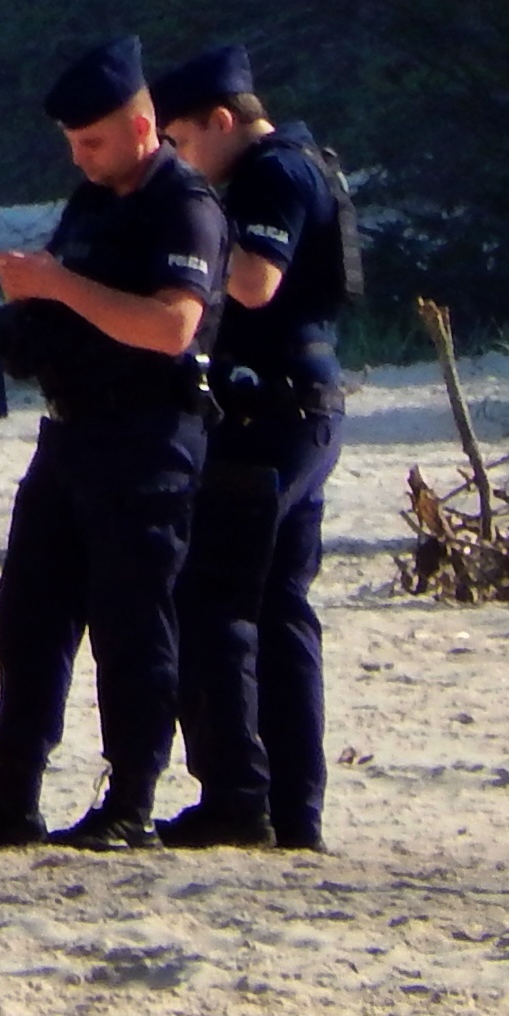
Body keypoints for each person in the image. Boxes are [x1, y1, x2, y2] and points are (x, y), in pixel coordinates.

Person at [0, 39, 227, 856]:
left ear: (140, 125)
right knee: (29, 620)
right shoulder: (91, 201)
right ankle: (12, 793)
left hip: (148, 435)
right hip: (71, 431)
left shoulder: (181, 202)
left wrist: (56, 286)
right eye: (71, 143)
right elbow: (77, 301)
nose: (80, 157)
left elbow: (172, 326)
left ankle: (130, 800)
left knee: (132, 625)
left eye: (93, 141)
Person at [149, 43, 349, 851]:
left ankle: (239, 796)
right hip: (306, 408)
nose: (179, 161)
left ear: (223, 120)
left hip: (270, 414)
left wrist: (185, 237)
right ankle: (294, 807)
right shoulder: (307, 162)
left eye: (184, 143)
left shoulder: (273, 171)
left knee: (217, 601)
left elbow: (256, 281)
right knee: (280, 608)